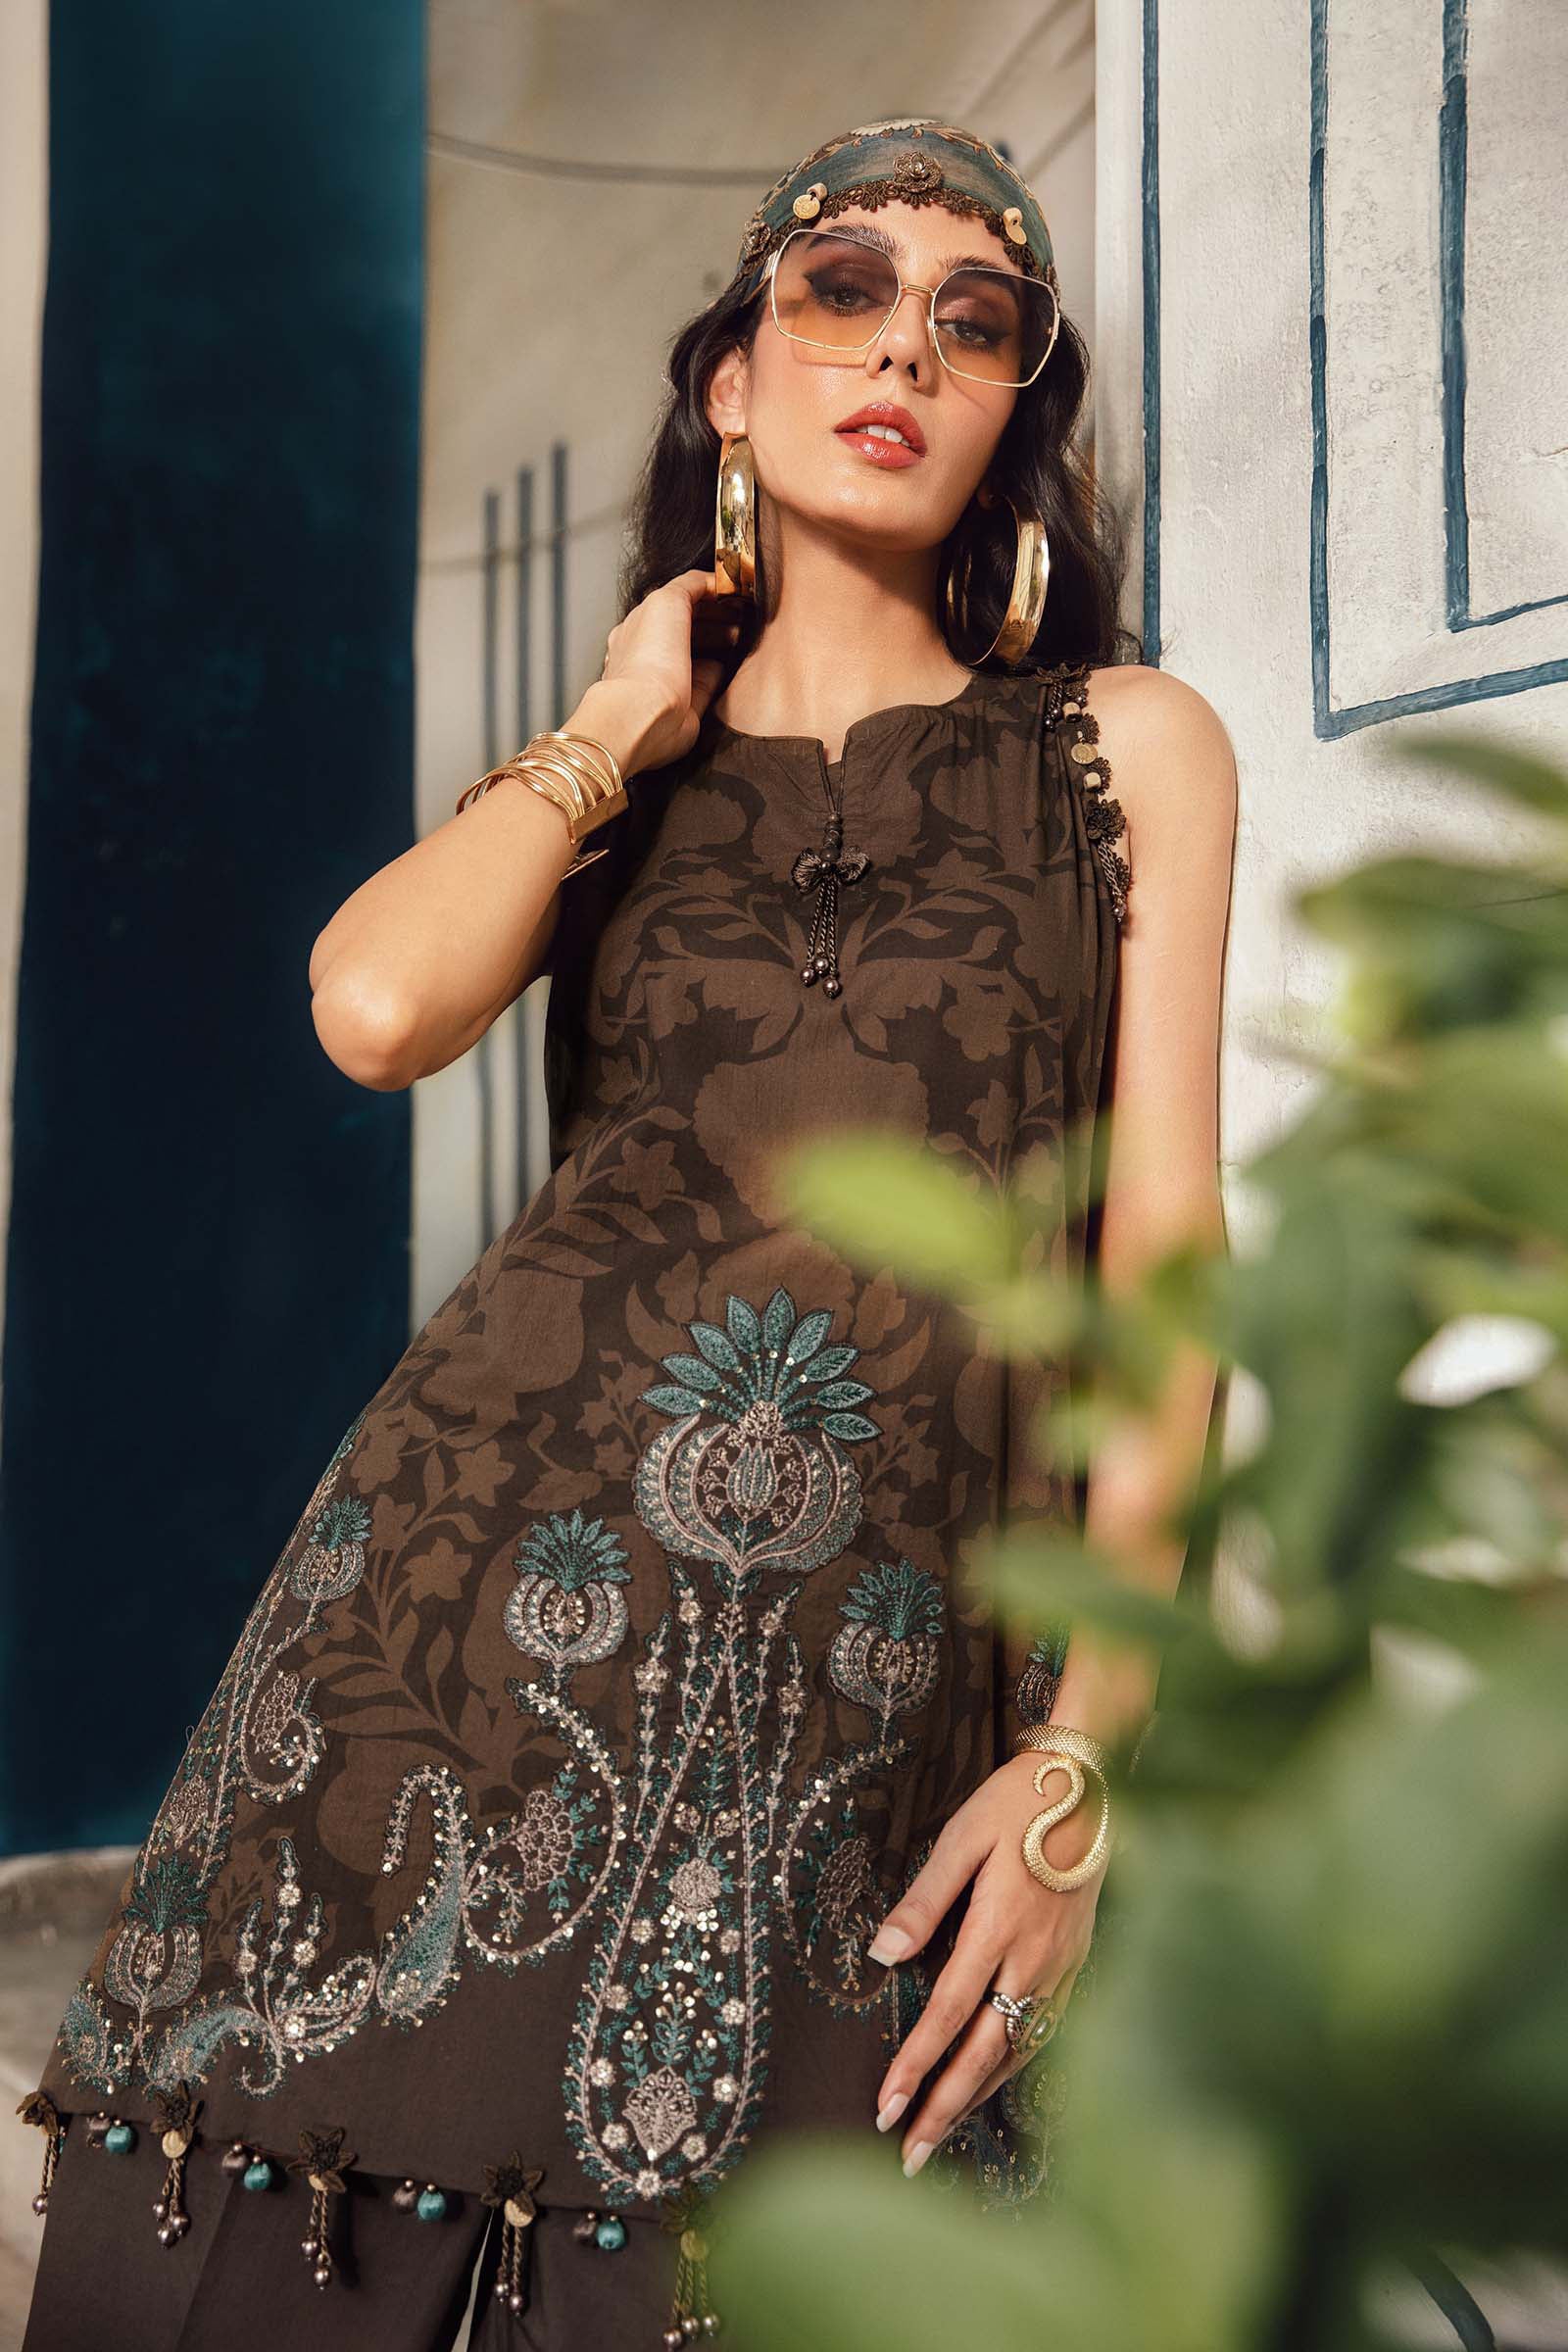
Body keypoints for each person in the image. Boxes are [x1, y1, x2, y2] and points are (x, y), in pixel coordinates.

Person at [16, 116, 1235, 2350]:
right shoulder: (614, 780)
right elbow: (374, 1010)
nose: (905, 345)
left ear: (1014, 416)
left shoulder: (1120, 752)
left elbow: (1166, 1276)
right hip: (448, 1643)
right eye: (837, 291)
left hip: (871, 1700)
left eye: (977, 323)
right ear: (733, 389)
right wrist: (601, 723)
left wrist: (1087, 1757)